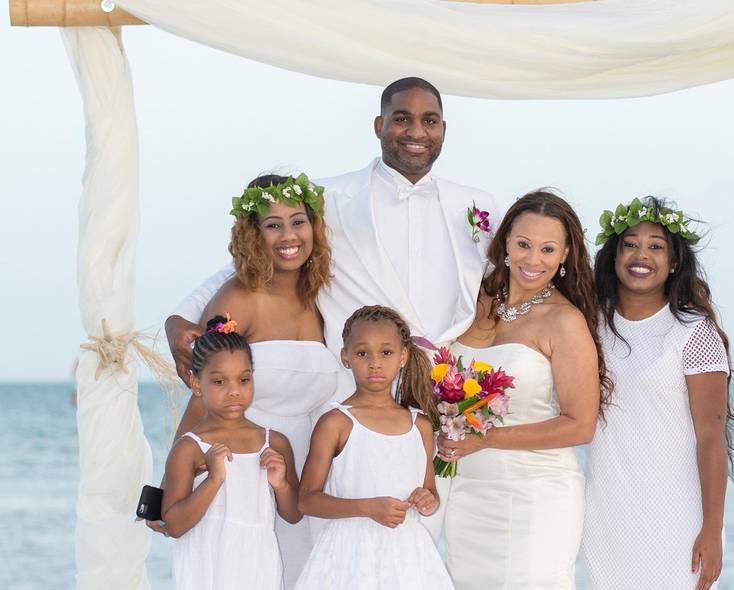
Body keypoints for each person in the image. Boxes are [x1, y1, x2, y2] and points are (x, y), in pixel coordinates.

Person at [165, 77, 500, 539]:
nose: (415, 132)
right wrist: (177, 320)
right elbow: (241, 267)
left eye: (429, 121)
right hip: (341, 395)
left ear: (444, 128)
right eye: (401, 119)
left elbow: (506, 285)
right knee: (342, 539)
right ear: (380, 125)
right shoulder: (328, 199)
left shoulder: (478, 207)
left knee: (420, 539)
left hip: (439, 400)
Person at [154, 173, 346, 590]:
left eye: (297, 221)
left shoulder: (322, 299)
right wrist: (171, 485)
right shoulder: (237, 299)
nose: (288, 236)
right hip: (243, 472)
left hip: (300, 477)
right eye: (272, 224)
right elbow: (201, 392)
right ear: (252, 234)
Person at [436, 190, 612, 590]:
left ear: (566, 254)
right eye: (523, 244)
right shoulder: (471, 302)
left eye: (548, 249)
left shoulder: (563, 321)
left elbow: (580, 424)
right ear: (505, 243)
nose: (533, 258)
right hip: (467, 493)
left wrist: (487, 439)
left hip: (537, 493)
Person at [583, 197, 734, 590]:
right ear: (613, 257)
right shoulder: (589, 326)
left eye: (655, 247)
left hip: (678, 514)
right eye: (630, 245)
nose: (641, 256)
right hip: (608, 510)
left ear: (673, 263)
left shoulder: (692, 332)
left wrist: (712, 529)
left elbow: (712, 437)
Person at [276, 306, 469, 590]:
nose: (375, 363)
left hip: (407, 556)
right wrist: (367, 507)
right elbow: (307, 500)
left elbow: (429, 494)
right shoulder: (335, 422)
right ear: (346, 357)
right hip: (350, 556)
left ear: (404, 356)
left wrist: (427, 499)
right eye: (363, 353)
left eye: (386, 352)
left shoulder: (419, 424)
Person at [162, 316, 301, 590]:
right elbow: (174, 525)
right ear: (197, 384)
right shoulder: (190, 448)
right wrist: (212, 480)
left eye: (243, 379)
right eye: (219, 382)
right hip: (207, 568)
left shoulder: (274, 442)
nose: (234, 391)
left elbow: (293, 514)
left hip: (257, 569)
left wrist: (280, 483)